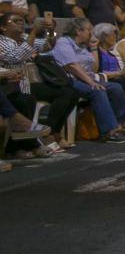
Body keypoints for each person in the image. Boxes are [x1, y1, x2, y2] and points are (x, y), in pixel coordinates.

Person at [0, 12, 76, 152]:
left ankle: (50, 132)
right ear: (3, 27)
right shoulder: (2, 42)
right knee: (26, 99)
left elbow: (49, 45)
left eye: (22, 20)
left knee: (68, 92)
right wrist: (34, 31)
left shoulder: (24, 38)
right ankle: (21, 147)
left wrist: (51, 31)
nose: (21, 23)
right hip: (8, 87)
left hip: (26, 84)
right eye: (16, 21)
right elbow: (17, 57)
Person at [49, 18, 125, 143]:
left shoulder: (82, 47)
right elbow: (72, 66)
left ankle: (123, 124)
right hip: (70, 80)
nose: (91, 33)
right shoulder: (63, 43)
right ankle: (109, 131)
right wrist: (91, 83)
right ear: (78, 31)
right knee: (97, 91)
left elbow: (93, 68)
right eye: (88, 30)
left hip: (87, 78)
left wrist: (94, 48)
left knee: (115, 87)